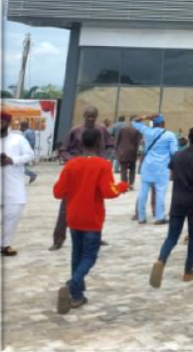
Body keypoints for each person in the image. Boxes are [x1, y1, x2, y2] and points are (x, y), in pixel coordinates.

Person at [52, 128, 128, 313]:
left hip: (73, 216)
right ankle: (73, 284)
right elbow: (108, 192)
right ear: (98, 143)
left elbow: (58, 192)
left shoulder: (71, 164)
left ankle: (77, 295)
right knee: (89, 257)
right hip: (92, 218)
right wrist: (122, 186)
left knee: (76, 254)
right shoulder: (102, 165)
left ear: (80, 143)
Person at [149, 126, 193, 288]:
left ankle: (161, 260)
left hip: (177, 201)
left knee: (172, 237)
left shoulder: (177, 155)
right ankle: (188, 271)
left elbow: (172, 176)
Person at [51, 107, 114, 251]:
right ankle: (58, 239)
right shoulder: (75, 131)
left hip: (95, 172)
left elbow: (110, 146)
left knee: (95, 205)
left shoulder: (102, 130)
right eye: (88, 116)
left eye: (93, 116)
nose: (90, 119)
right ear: (84, 115)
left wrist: (103, 158)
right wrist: (74, 161)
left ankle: (95, 236)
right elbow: (63, 149)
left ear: (97, 116)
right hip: (77, 171)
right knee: (66, 206)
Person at [132, 114, 179, 225]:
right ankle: (159, 217)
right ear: (163, 123)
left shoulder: (147, 132)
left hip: (147, 166)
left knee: (143, 192)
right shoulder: (170, 135)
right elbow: (174, 153)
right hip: (162, 167)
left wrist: (145, 117)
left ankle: (141, 217)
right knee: (160, 192)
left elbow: (134, 122)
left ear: (153, 123)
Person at [2, 112, 35, 256]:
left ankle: (5, 244)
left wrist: (12, 160)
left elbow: (30, 155)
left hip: (13, 184)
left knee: (14, 213)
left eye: (2, 121)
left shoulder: (18, 139)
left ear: (8, 123)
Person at [115, 118, 142, 190]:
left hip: (123, 151)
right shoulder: (138, 131)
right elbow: (139, 143)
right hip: (133, 152)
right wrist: (139, 153)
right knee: (132, 169)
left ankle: (124, 185)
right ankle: (131, 184)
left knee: (123, 169)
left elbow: (117, 140)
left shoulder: (122, 129)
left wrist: (116, 150)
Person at [19, 120, 39, 184]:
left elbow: (32, 142)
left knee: (20, 167)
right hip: (24, 152)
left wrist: (27, 151)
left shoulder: (28, 132)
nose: (19, 128)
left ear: (24, 126)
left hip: (26, 153)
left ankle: (32, 175)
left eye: (20, 126)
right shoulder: (26, 132)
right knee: (20, 166)